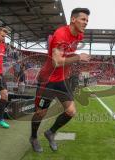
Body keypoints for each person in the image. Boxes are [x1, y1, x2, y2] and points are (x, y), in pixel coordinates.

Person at [30, 8, 91, 152]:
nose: (86, 23)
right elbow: (56, 62)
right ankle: (33, 137)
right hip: (48, 81)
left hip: (62, 80)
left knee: (71, 111)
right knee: (40, 113)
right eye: (83, 19)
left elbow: (67, 53)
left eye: (87, 20)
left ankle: (50, 132)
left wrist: (75, 56)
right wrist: (78, 57)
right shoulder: (60, 34)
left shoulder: (79, 36)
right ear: (73, 20)